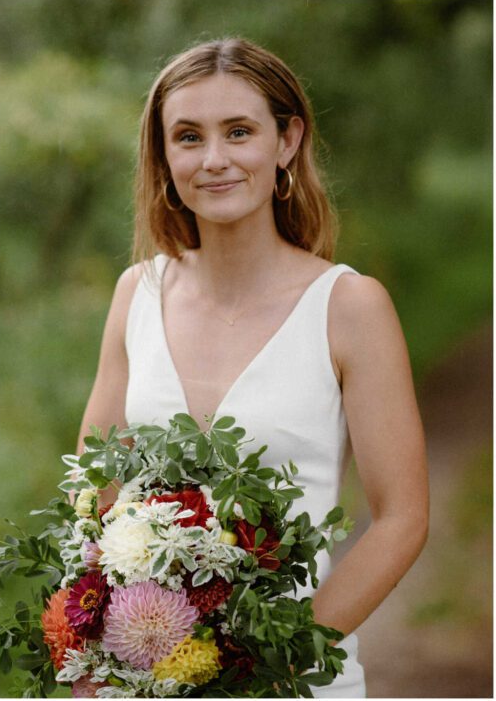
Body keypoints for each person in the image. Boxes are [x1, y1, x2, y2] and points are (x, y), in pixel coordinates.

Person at [77, 38, 428, 698]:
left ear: (286, 141)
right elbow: (94, 492)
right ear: (163, 155)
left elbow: (402, 518)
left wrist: (265, 659)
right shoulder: (137, 293)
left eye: (239, 131)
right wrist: (92, 653)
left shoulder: (350, 306)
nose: (215, 159)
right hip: (146, 676)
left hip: (292, 678)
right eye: (188, 137)